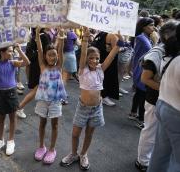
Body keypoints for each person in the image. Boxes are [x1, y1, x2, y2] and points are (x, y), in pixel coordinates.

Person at [60, 27, 122, 170]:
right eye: (91, 58)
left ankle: (83, 154)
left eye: (97, 58)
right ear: (87, 60)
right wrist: (86, 39)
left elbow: (112, 54)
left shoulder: (101, 69)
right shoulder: (82, 70)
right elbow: (82, 55)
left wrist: (120, 42)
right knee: (75, 133)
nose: (94, 60)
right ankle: (73, 153)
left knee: (89, 133)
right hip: (83, 107)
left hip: (97, 108)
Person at [135, 20, 179, 171]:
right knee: (150, 131)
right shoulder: (158, 52)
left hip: (162, 101)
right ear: (168, 35)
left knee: (160, 142)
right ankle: (142, 161)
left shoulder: (169, 52)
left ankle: (147, 160)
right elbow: (145, 78)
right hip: (155, 99)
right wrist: (166, 89)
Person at [0, 43, 30, 156]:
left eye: (12, 51)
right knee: (1, 118)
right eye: (10, 51)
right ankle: (0, 140)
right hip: (0, 94)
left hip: (11, 93)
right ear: (2, 53)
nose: (12, 53)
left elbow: (27, 62)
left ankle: (11, 141)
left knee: (12, 118)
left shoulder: (12, 63)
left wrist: (20, 51)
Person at [148, 22, 180, 172]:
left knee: (160, 153)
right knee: (175, 160)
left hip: (164, 105)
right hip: (175, 112)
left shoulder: (174, 57)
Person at [33, 27, 66, 164]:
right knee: (42, 123)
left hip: (55, 101)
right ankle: (41, 146)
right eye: (49, 55)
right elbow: (40, 50)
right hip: (42, 100)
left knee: (55, 125)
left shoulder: (59, 67)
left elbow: (61, 51)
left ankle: (52, 149)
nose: (52, 57)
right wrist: (36, 34)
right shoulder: (42, 66)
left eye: (54, 54)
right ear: (45, 57)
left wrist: (62, 38)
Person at [16, 28, 51, 119]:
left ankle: (43, 107)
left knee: (40, 88)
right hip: (42, 66)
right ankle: (19, 108)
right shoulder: (44, 37)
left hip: (35, 65)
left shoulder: (34, 37)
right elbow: (47, 51)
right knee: (37, 89)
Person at [129, 17, 155, 129]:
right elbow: (151, 51)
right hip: (141, 69)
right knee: (143, 93)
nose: (153, 28)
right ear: (144, 27)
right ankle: (141, 119)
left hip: (141, 68)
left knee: (139, 92)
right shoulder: (141, 38)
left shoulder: (145, 37)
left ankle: (133, 112)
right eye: (151, 25)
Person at [61, 28, 78, 105]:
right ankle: (61, 96)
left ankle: (62, 93)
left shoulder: (60, 33)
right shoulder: (71, 33)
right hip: (70, 55)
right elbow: (78, 43)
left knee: (63, 77)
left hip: (63, 55)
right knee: (65, 78)